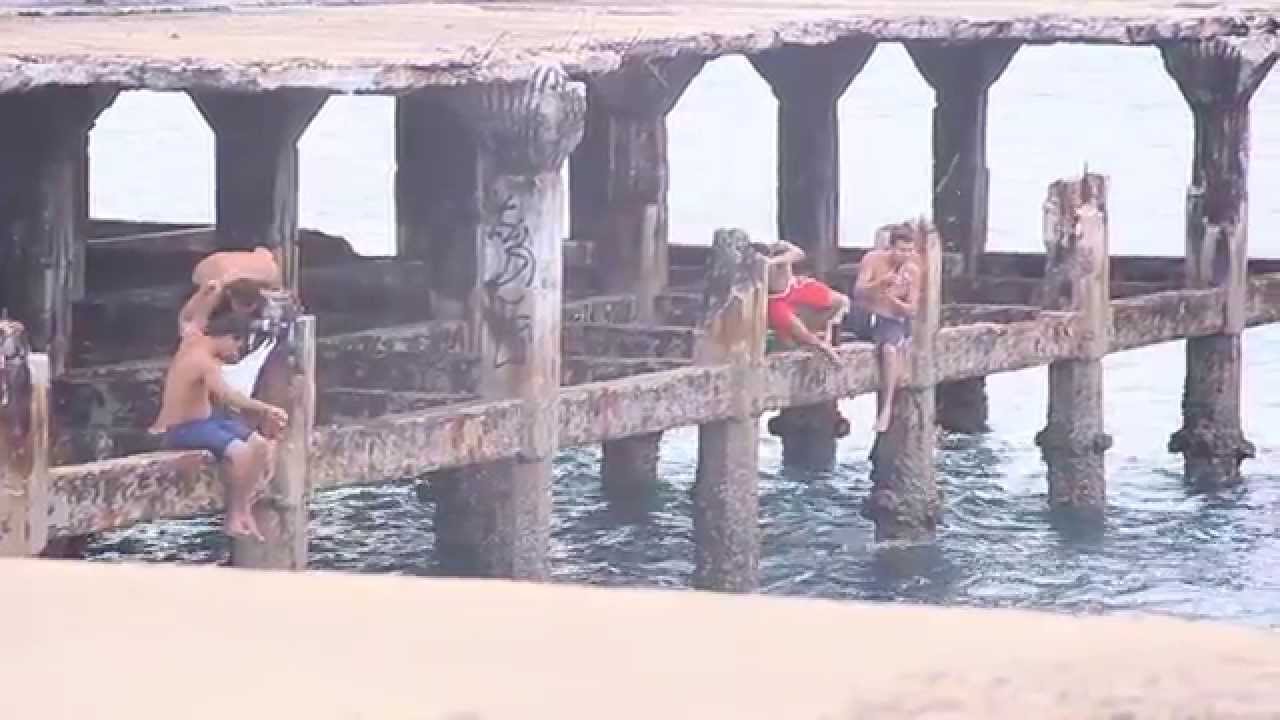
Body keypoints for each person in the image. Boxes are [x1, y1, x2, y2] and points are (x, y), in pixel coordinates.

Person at [149, 312, 289, 542]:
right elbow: (227, 396)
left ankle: (245, 508)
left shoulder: (192, 341)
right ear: (228, 338)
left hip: (208, 421)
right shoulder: (204, 362)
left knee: (260, 446)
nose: (235, 354)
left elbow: (192, 317)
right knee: (241, 453)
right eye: (236, 346)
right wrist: (265, 409)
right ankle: (234, 514)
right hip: (184, 428)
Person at [853, 223, 921, 433]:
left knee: (889, 351)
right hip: (866, 314)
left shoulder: (912, 271)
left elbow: (912, 309)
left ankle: (886, 407)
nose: (905, 255)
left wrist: (893, 300)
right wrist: (881, 283)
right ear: (891, 247)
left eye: (909, 251)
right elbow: (858, 291)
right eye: (901, 250)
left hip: (891, 319)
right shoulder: (872, 260)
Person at [754, 239, 849, 363]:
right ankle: (820, 346)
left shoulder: (779, 248)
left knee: (841, 301)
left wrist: (773, 261)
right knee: (799, 333)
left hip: (795, 287)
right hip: (776, 300)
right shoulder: (752, 262)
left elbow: (799, 254)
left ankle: (825, 334)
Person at [178, 247, 282, 338]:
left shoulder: (270, 273)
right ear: (229, 294)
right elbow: (187, 322)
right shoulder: (214, 285)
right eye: (242, 306)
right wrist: (196, 324)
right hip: (212, 269)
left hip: (254, 266)